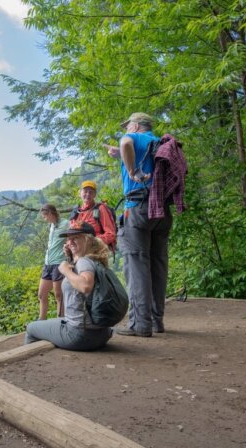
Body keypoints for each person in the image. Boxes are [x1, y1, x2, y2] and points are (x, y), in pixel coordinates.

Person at [105, 112, 184, 337]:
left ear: (137, 125)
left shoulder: (132, 137)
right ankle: (157, 321)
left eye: (129, 125)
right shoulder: (158, 142)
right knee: (158, 265)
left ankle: (140, 325)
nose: (127, 128)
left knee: (137, 266)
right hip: (161, 212)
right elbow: (132, 152)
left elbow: (127, 142)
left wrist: (131, 170)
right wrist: (120, 155)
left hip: (138, 209)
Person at [25, 222, 113, 350]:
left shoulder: (84, 262)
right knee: (47, 323)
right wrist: (70, 258)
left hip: (80, 334)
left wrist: (65, 270)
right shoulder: (97, 261)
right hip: (102, 333)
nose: (70, 242)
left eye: (76, 238)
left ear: (88, 240)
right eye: (68, 239)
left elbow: (85, 286)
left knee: (31, 328)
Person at [38, 204, 70, 320]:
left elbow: (72, 238)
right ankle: (41, 321)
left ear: (50, 213)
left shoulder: (66, 224)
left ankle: (60, 321)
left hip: (59, 263)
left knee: (58, 295)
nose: (44, 219)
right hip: (48, 264)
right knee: (41, 294)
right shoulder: (51, 225)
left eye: (45, 216)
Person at [69, 180, 117, 252]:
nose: (88, 194)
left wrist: (91, 241)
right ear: (80, 193)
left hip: (96, 253)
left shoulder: (100, 208)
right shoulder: (76, 213)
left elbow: (111, 234)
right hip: (78, 254)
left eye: (91, 192)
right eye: (85, 191)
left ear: (95, 195)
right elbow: (70, 236)